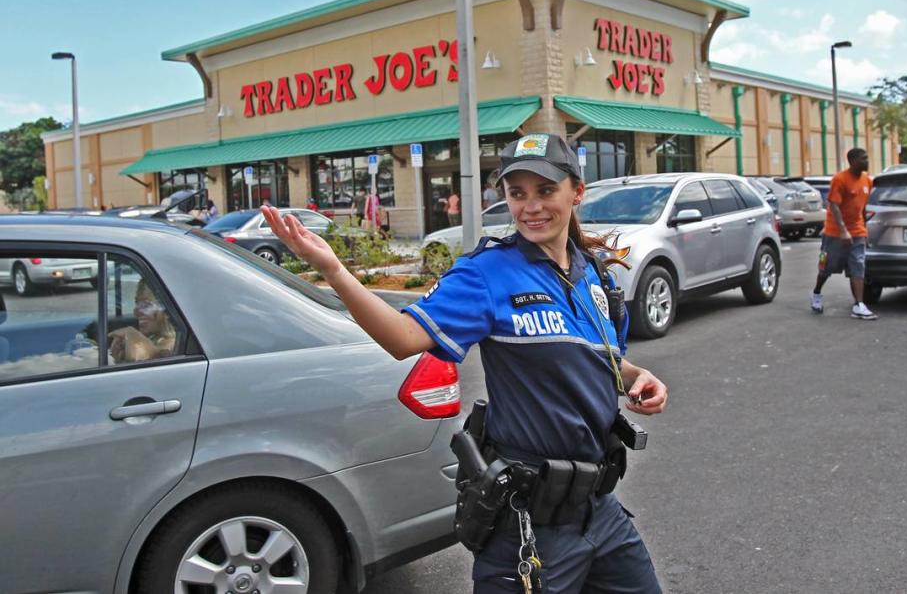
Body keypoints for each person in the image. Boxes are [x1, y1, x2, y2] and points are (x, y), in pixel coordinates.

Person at [262, 133, 668, 593]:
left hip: (602, 513)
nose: (530, 206)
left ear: (577, 192)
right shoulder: (485, 274)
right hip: (529, 523)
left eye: (545, 191)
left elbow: (608, 362)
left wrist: (638, 377)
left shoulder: (593, 272)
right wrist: (335, 270)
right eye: (517, 194)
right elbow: (402, 339)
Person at [810, 147, 876, 319]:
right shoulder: (840, 179)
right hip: (835, 233)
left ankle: (859, 305)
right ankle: (817, 293)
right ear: (853, 161)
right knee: (826, 268)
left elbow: (862, 208)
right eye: (864, 158)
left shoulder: (867, 181)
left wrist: (864, 230)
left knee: (858, 266)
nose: (867, 161)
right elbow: (834, 205)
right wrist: (843, 231)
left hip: (858, 232)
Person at [108, 280, 177, 363]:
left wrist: (132, 334)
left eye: (146, 305)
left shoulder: (174, 347)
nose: (136, 311)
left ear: (166, 310)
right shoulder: (155, 338)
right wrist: (119, 357)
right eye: (137, 303)